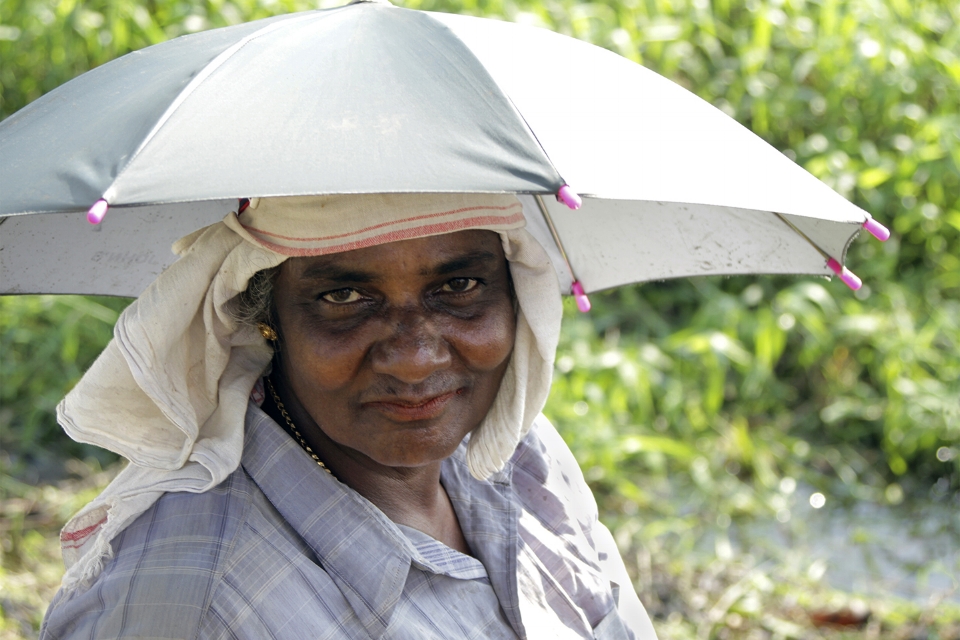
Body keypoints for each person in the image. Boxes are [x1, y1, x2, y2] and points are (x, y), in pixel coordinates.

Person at [40, 193, 658, 639]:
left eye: (461, 286)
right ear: (267, 317)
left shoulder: (521, 454)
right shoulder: (187, 607)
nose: (416, 359)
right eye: (344, 297)